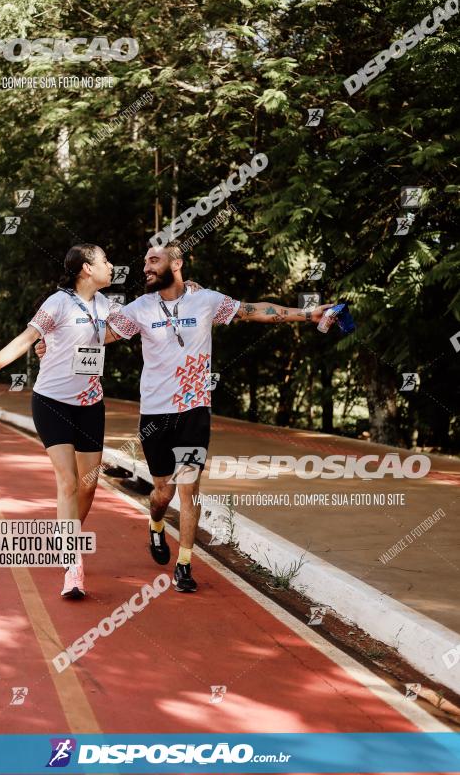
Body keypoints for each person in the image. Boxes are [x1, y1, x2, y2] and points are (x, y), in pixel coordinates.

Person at [102, 241, 333, 593]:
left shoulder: (206, 299)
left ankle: (184, 564)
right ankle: (156, 523)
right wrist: (55, 341)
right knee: (162, 493)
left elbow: (254, 310)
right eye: (145, 261)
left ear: (176, 263)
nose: (146, 267)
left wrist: (307, 314)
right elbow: (102, 334)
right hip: (155, 415)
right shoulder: (140, 308)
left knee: (190, 489)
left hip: (194, 411)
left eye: (154, 260)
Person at [0, 244, 116, 600]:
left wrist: (187, 295)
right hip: (52, 403)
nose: (111, 266)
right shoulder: (57, 304)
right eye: (104, 261)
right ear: (86, 269)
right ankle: (72, 564)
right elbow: (26, 339)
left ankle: (67, 536)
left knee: (89, 485)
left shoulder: (106, 305)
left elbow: (131, 324)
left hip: (91, 404)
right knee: (68, 482)